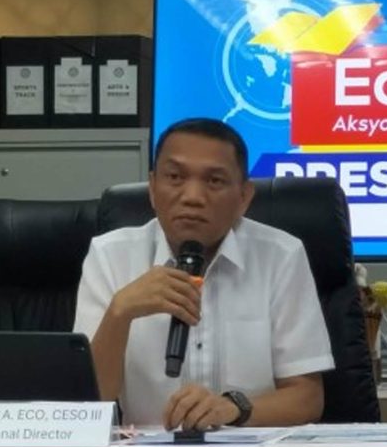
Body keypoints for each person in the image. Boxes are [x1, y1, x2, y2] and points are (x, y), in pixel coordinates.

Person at [74, 118, 334, 429]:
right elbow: (87, 406)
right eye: (175, 177)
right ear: (153, 188)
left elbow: (307, 398)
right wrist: (120, 313)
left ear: (244, 197)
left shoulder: (281, 255)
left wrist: (233, 408)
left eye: (214, 181)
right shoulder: (109, 255)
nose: (193, 197)